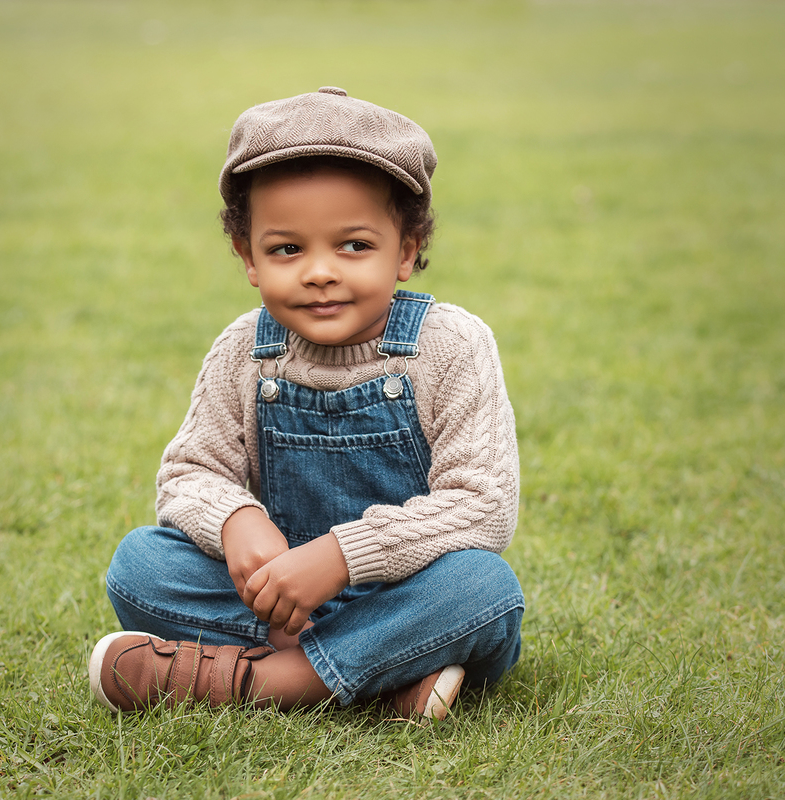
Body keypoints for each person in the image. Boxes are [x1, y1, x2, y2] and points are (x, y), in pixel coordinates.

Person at [89, 87, 524, 720]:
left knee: (483, 589)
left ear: (405, 250)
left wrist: (342, 556)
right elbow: (190, 473)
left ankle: (263, 682)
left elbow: (481, 504)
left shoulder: (451, 346)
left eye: (354, 246)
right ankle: (385, 676)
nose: (320, 272)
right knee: (140, 564)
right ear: (249, 257)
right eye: (287, 249)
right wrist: (236, 519)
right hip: (278, 606)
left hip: (405, 596)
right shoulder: (245, 351)